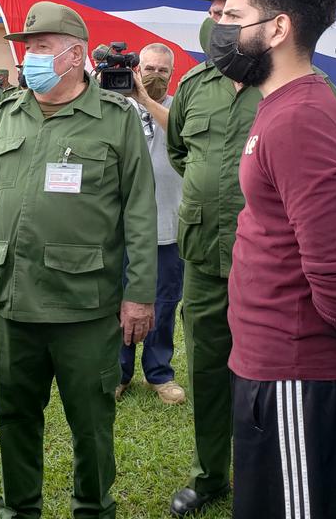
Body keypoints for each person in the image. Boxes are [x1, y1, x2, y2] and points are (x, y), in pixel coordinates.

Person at [166, 0, 336, 516]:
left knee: (262, 376)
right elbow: (180, 152)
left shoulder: (302, 94)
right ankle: (209, 473)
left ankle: (264, 469)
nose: (220, 24)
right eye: (216, 14)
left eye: (229, 13)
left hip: (272, 268)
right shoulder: (195, 87)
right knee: (207, 366)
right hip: (203, 255)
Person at [0, 0, 157, 519]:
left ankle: (93, 510)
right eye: (28, 48)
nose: (31, 58)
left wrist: (139, 295)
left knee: (91, 425)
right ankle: (19, 511)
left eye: (43, 48)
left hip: (84, 307)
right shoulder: (8, 111)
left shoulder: (116, 120)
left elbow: (140, 212)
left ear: (75, 56)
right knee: (13, 416)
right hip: (12, 302)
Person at [213, 0, 336, 519]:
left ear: (278, 28)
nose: (220, 31)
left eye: (234, 18)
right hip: (269, 362)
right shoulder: (279, 105)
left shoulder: (299, 119)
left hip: (293, 370)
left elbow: (335, 266)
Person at [117, 43, 186, 405]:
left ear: (171, 75)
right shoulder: (115, 104)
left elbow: (182, 136)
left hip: (167, 228)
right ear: (135, 68)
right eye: (148, 68)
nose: (154, 75)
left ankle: (159, 374)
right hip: (121, 230)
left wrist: (145, 99)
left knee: (163, 304)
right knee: (119, 303)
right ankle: (119, 372)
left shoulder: (178, 108)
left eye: (162, 70)